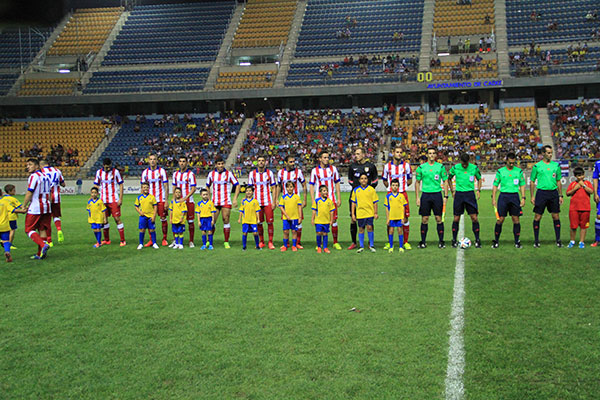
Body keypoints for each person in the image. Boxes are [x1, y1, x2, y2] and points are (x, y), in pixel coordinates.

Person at [530, 145, 563, 247]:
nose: (550, 154)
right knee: (537, 217)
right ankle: (536, 241)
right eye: (548, 153)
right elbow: (532, 182)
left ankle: (558, 240)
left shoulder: (556, 166)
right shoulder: (537, 166)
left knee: (556, 216)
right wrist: (532, 196)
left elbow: (558, 181)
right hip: (541, 193)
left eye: (551, 153)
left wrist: (560, 195)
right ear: (543, 153)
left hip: (553, 193)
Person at [415, 148, 449, 248]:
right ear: (427, 155)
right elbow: (417, 183)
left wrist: (445, 195)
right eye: (430, 153)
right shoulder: (421, 168)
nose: (432, 155)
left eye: (433, 153)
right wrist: (417, 197)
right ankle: (423, 241)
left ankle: (441, 241)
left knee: (438, 218)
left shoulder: (440, 167)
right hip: (425, 195)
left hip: (437, 195)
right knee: (424, 219)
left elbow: (445, 181)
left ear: (436, 155)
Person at [491, 152, 526, 248]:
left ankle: (517, 241)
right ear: (506, 160)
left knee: (516, 219)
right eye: (510, 162)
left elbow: (522, 185)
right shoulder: (500, 171)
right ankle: (496, 241)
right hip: (503, 197)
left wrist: (523, 197)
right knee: (500, 219)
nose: (511, 164)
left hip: (515, 197)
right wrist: (493, 198)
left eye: (513, 163)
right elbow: (495, 185)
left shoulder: (518, 172)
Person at [448, 153, 483, 248]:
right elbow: (449, 179)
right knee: (456, 218)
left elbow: (479, 179)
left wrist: (478, 190)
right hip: (459, 194)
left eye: (466, 163)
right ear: (460, 161)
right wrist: (452, 190)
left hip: (470, 195)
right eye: (463, 163)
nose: (464, 165)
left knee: (474, 217)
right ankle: (454, 240)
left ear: (469, 161)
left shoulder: (474, 168)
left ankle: (477, 240)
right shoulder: (455, 168)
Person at [309, 151, 342, 250]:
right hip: (319, 201)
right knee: (319, 221)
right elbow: (311, 185)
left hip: (331, 199)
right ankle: (319, 244)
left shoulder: (333, 169)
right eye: (324, 157)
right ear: (320, 159)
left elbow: (337, 183)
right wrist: (312, 199)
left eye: (328, 157)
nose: (327, 159)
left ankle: (335, 242)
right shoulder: (315, 171)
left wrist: (339, 197)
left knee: (334, 220)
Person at [382, 145, 413, 250]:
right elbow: (385, 181)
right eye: (397, 152)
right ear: (393, 153)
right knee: (390, 218)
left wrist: (402, 189)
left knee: (405, 217)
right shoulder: (387, 167)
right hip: (390, 194)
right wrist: (391, 190)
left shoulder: (406, 166)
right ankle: (389, 242)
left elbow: (409, 180)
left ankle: (405, 241)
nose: (399, 154)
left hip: (402, 194)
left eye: (400, 152)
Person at [206, 157, 240, 249]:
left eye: (222, 164)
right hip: (215, 201)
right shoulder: (211, 174)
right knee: (212, 221)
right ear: (216, 165)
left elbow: (237, 185)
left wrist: (235, 199)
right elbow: (207, 186)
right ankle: (209, 241)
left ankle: (226, 241)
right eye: (219, 164)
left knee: (226, 219)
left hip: (225, 200)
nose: (220, 165)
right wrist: (208, 199)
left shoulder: (228, 174)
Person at [348, 148, 378, 250]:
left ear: (364, 154)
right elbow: (350, 181)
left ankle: (370, 243)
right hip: (356, 197)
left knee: (370, 222)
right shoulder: (352, 167)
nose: (356, 155)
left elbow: (375, 181)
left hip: (367, 199)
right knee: (353, 220)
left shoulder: (371, 166)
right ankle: (354, 242)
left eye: (358, 154)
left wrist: (367, 193)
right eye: (355, 154)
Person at [22, 158, 52, 259]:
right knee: (42, 229)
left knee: (28, 229)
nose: (28, 167)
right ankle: (40, 254)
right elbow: (50, 193)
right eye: (27, 165)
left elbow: (30, 192)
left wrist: (24, 206)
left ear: (37, 166)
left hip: (36, 207)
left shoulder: (34, 176)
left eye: (30, 165)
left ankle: (43, 245)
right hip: (47, 206)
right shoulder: (47, 177)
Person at [94, 158, 126, 246]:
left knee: (117, 219)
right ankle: (107, 240)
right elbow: (96, 185)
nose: (108, 169)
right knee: (104, 220)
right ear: (103, 165)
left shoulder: (115, 172)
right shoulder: (99, 173)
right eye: (106, 167)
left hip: (114, 200)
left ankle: (123, 240)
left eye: (109, 167)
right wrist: (94, 197)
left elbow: (121, 184)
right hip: (103, 200)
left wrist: (120, 198)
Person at [277, 155, 307, 248]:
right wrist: (275, 199)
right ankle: (287, 243)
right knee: (286, 221)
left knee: (299, 221)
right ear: (285, 162)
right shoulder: (280, 173)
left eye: (294, 161)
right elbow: (278, 186)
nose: (293, 163)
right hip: (285, 202)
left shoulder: (298, 172)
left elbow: (304, 185)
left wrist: (305, 199)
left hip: (296, 201)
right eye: (290, 162)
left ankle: (297, 242)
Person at [248, 155, 277, 249]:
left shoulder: (270, 173)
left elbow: (274, 187)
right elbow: (250, 189)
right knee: (259, 222)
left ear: (265, 162)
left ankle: (270, 242)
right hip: (256, 203)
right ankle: (261, 241)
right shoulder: (252, 174)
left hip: (268, 201)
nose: (261, 162)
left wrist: (274, 201)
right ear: (257, 162)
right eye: (259, 160)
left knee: (270, 222)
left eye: (262, 160)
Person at [141, 154, 169, 246]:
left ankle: (164, 238)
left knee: (163, 218)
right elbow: (143, 188)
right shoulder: (145, 172)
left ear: (157, 160)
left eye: (154, 159)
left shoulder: (162, 171)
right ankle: (151, 240)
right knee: (149, 220)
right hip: (149, 201)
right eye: (151, 159)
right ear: (148, 161)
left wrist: (166, 200)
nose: (152, 161)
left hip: (160, 199)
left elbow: (166, 186)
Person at [350, 173, 379, 253]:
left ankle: (371, 245)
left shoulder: (371, 190)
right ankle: (361, 246)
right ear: (359, 180)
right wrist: (353, 214)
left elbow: (375, 202)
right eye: (362, 178)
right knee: (361, 229)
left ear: (368, 180)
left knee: (370, 227)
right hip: (360, 213)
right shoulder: (356, 190)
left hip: (369, 212)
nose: (363, 180)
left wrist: (375, 212)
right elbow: (353, 203)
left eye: (365, 178)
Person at [172, 156, 197, 247]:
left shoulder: (191, 174)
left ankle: (191, 241)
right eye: (180, 161)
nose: (182, 163)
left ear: (187, 163)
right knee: (176, 221)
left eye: (184, 161)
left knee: (190, 221)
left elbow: (193, 188)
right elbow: (174, 187)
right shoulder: (175, 174)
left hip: (189, 201)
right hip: (178, 203)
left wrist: (185, 198)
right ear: (178, 163)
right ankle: (176, 241)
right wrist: (173, 198)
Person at [40, 160, 65, 247]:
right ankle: (59, 229)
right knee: (56, 216)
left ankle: (49, 240)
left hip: (46, 198)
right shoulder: (57, 170)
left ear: (41, 165)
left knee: (46, 219)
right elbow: (63, 184)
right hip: (57, 196)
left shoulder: (41, 172)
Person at [566, 167, 593, 248]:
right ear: (575, 176)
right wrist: (575, 189)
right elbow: (568, 193)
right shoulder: (573, 184)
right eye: (578, 176)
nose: (580, 177)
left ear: (584, 175)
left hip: (585, 208)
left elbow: (591, 191)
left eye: (582, 175)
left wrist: (583, 186)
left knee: (583, 226)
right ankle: (572, 241)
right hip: (574, 208)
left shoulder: (587, 183)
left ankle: (581, 242)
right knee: (573, 226)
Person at [0, 186, 25, 262]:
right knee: (6, 240)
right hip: (3, 225)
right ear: (1, 194)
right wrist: (23, 211)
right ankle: (7, 252)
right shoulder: (4, 202)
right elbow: (13, 210)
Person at [278, 181, 303, 252]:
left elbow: (299, 207)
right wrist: (286, 215)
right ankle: (285, 246)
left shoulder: (296, 197)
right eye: (288, 187)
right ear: (286, 188)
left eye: (291, 187)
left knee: (294, 231)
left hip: (295, 217)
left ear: (294, 188)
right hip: (286, 218)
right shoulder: (283, 197)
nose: (289, 188)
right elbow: (281, 207)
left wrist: (300, 217)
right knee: (285, 231)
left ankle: (294, 246)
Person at [384, 179, 408, 253]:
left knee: (400, 231)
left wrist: (403, 217)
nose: (395, 187)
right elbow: (387, 208)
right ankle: (391, 246)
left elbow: (403, 207)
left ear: (398, 187)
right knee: (391, 231)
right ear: (391, 186)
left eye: (396, 185)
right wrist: (388, 218)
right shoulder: (388, 196)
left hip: (399, 217)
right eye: (393, 185)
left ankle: (401, 246)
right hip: (392, 217)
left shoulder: (401, 196)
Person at [312, 184, 336, 254]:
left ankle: (325, 247)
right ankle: (319, 246)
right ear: (320, 192)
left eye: (326, 191)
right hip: (318, 220)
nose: (326, 192)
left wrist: (331, 220)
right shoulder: (317, 201)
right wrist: (312, 219)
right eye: (324, 191)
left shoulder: (329, 201)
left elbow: (332, 212)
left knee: (325, 233)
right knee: (319, 233)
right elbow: (314, 211)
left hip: (326, 221)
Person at [135, 182, 158, 250]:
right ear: (142, 188)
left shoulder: (152, 197)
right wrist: (140, 212)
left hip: (150, 216)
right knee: (142, 229)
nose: (146, 189)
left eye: (147, 187)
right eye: (144, 187)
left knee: (152, 229)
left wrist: (154, 216)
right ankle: (141, 243)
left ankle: (154, 243)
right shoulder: (139, 197)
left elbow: (155, 206)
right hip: (143, 217)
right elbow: (136, 206)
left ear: (149, 188)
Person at [238, 186, 261, 251]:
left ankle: (257, 246)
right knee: (245, 233)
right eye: (247, 191)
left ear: (252, 192)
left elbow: (257, 211)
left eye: (250, 191)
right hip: (245, 220)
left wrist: (258, 219)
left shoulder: (255, 201)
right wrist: (239, 219)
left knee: (255, 233)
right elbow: (241, 211)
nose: (248, 192)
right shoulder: (243, 201)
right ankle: (244, 246)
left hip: (253, 220)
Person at [2, 185, 21, 250]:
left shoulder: (3, 199)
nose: (15, 191)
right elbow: (21, 207)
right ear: (9, 191)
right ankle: (9, 244)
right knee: (12, 230)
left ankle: (3, 241)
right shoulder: (13, 199)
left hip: (5, 217)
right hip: (12, 217)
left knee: (5, 231)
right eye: (14, 190)